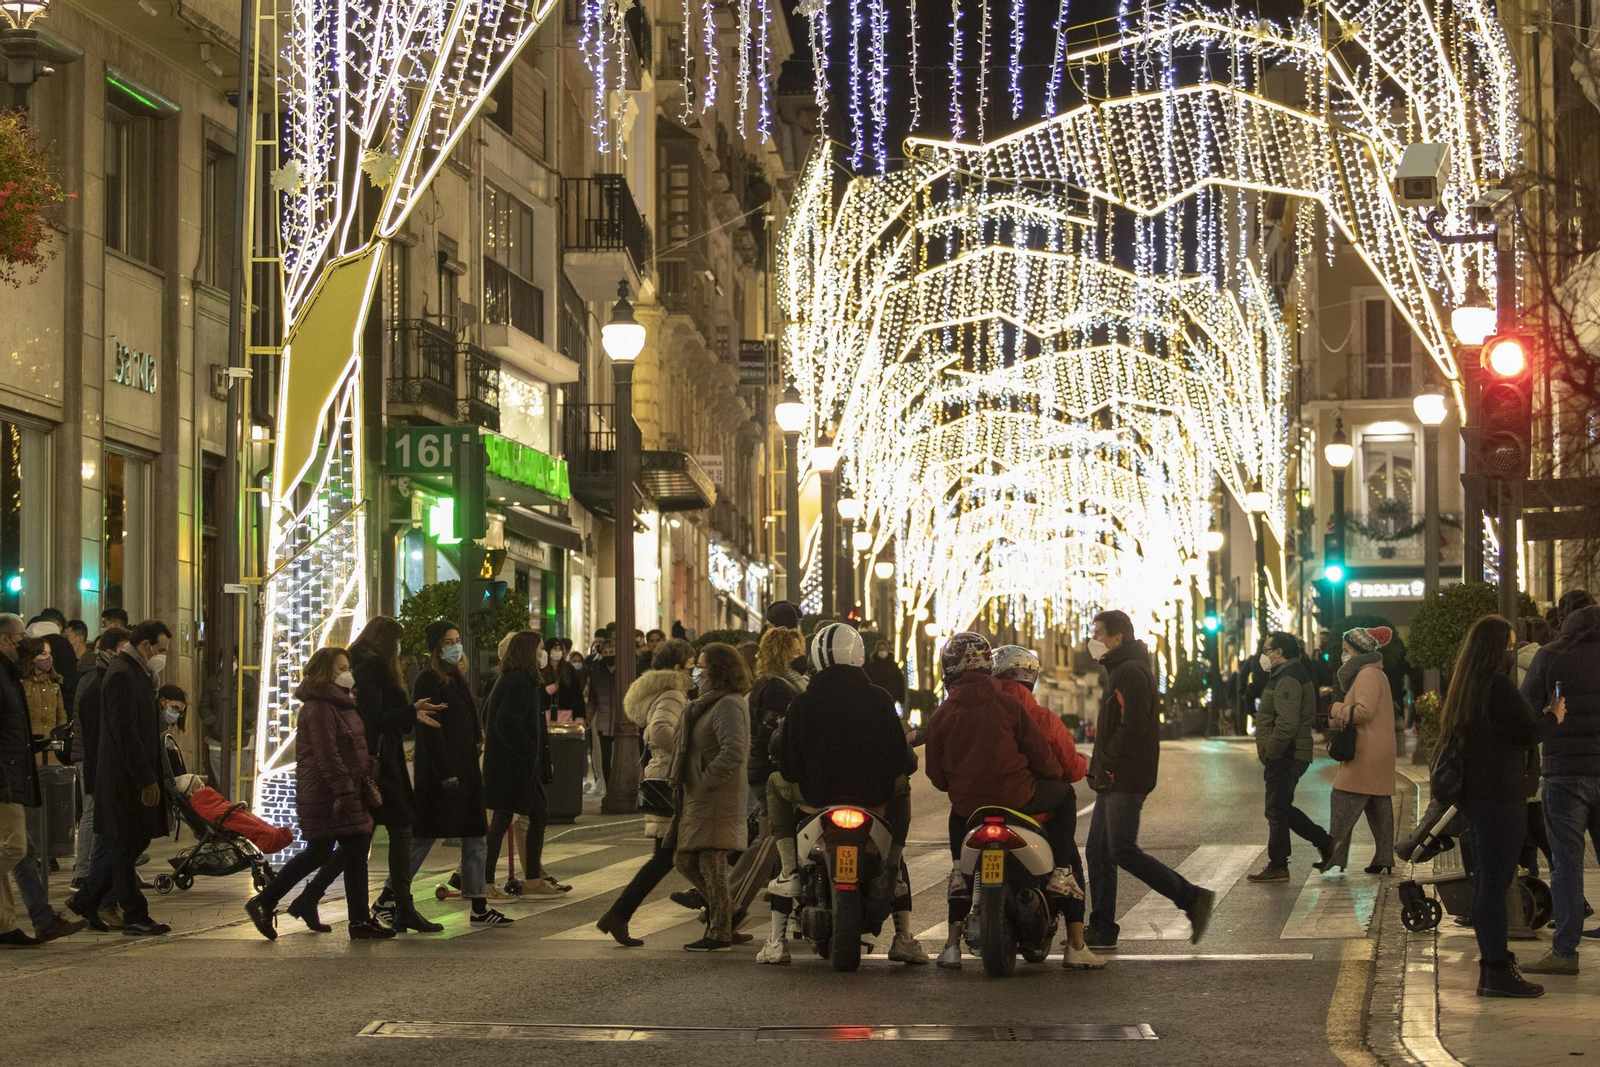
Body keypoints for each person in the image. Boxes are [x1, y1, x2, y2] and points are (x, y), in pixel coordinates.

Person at [758, 624, 925, 965]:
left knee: (774, 784)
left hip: (816, 798)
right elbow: (901, 763)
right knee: (902, 788)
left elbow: (787, 770)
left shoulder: (802, 704)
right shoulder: (879, 699)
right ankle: (902, 926)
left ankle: (787, 878)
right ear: (858, 656)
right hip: (872, 799)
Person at [925, 633, 1083, 965]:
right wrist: (1053, 774)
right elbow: (1042, 756)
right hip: (1020, 797)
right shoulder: (1009, 705)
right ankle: (1062, 873)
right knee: (1065, 795)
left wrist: (962, 784)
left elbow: (936, 777)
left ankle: (952, 930)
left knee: (959, 848)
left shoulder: (941, 715)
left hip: (970, 807)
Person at [1439, 614, 1565, 997]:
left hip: (1478, 794)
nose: (1512, 652)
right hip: (1501, 795)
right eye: (1509, 646)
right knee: (1495, 883)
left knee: (1488, 883)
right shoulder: (1497, 687)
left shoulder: (1466, 685)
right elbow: (1526, 734)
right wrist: (1552, 717)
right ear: (1497, 649)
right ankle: (1495, 970)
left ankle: (1494, 966)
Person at [302, 616, 445, 932]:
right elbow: (372, 718)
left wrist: (409, 712)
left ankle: (311, 897)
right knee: (398, 829)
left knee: (360, 839)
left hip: (381, 758)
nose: (399, 648)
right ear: (386, 640)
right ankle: (400, 906)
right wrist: (410, 711)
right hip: (376, 763)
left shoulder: (367, 665)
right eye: (397, 641)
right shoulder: (369, 668)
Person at [1083, 611, 1215, 949]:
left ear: (1118, 637)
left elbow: (1133, 726)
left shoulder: (1131, 672)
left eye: (1098, 632)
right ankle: (1102, 926)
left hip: (1125, 776)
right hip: (1112, 776)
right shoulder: (1120, 669)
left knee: (1121, 849)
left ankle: (1191, 898)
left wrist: (1109, 760)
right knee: (1098, 851)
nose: (1093, 638)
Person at [244, 647, 393, 940]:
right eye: (340, 668)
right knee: (339, 850)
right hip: (330, 792)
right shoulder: (320, 707)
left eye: (347, 666)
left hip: (343, 789)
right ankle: (353, 919)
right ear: (326, 672)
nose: (347, 672)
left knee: (332, 851)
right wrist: (344, 789)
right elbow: (327, 754)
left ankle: (276, 901)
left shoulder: (342, 704)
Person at [990, 644, 1103, 969]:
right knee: (1067, 851)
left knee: (961, 873)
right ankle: (1076, 943)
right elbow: (1069, 768)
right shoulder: (1040, 717)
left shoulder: (980, 712)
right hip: (1032, 806)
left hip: (979, 805)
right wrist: (1080, 765)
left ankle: (952, 939)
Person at [403, 622, 511, 925]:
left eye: (458, 640)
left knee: (476, 836)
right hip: (444, 773)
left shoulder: (455, 676)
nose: (455, 646)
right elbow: (431, 732)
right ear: (436, 647)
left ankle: (479, 905)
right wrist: (447, 773)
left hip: (465, 769)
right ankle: (390, 896)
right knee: (424, 837)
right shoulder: (429, 678)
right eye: (448, 641)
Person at [70, 619, 173, 936]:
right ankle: (133, 914)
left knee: (126, 845)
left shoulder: (136, 673)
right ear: (145, 646)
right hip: (125, 779)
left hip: (132, 775)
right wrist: (146, 779)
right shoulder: (122, 675)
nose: (162, 656)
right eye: (161, 649)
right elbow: (124, 733)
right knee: (126, 845)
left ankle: (88, 899)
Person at [596, 637, 696, 946]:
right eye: (691, 666)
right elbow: (661, 732)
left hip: (663, 778)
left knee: (677, 856)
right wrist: (688, 751)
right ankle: (726, 913)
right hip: (669, 781)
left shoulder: (667, 693)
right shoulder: (672, 695)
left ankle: (726, 913)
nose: (694, 673)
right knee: (671, 857)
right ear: (678, 668)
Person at [1520, 598, 1598, 977]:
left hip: (1565, 771)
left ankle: (1565, 952)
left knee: (1566, 865)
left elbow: (1527, 709)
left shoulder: (1551, 654)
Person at [671, 642, 751, 951]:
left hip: (718, 796)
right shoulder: (708, 702)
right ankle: (727, 917)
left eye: (702, 666)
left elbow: (734, 750)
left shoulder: (728, 704)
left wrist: (706, 780)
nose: (697, 672)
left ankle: (720, 931)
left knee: (710, 862)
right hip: (703, 795)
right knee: (686, 860)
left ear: (717, 670)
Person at [1248, 632, 1333, 882]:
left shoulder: (1288, 679)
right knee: (1280, 808)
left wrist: (1270, 751)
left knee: (1276, 810)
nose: (1264, 655)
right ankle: (1326, 845)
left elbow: (1286, 723)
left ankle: (1279, 865)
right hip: (1287, 753)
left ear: (1279, 652)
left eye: (1267, 650)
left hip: (1286, 754)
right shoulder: (1287, 675)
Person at [482, 631, 561, 898]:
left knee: (537, 815)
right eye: (539, 648)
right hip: (511, 768)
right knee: (503, 820)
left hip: (517, 767)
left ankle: (532, 879)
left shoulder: (517, 679)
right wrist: (528, 751)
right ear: (528, 651)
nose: (543, 654)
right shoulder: (517, 681)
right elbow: (506, 722)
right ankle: (486, 882)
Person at [1317, 626, 1398, 875]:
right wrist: (1332, 719)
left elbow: (1363, 712)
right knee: (1377, 804)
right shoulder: (1374, 673)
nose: (1343, 655)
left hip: (1366, 751)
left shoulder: (1367, 675)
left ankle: (1333, 855)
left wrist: (1336, 709)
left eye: (1345, 650)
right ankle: (1384, 857)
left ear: (1359, 651)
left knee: (1341, 797)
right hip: (1377, 749)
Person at [67, 628, 129, 904]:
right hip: (92, 759)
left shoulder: (103, 675)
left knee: (103, 822)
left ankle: (99, 882)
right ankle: (84, 876)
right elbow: (93, 729)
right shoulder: (96, 679)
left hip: (95, 760)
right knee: (93, 815)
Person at [0, 613, 45, 946]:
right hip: (5, 777)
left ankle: (4, 925)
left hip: (12, 772)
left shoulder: (9, 674)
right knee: (13, 847)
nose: (25, 642)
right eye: (20, 637)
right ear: (4, 640)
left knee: (9, 847)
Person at [747, 627, 806, 821]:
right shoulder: (777, 687)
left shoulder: (772, 682)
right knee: (775, 827)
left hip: (763, 769)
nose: (800, 658)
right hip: (769, 772)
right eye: (796, 653)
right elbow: (773, 735)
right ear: (781, 654)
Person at [21, 640, 65, 767]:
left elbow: (61, 714)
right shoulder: (22, 684)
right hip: (31, 747)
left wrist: (61, 737)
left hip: (53, 748)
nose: (48, 658)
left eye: (49, 653)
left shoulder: (54, 684)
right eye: (43, 654)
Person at [585, 638, 620, 786]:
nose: (608, 655)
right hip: (604, 722)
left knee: (620, 759)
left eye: (612, 652)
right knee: (605, 759)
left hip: (623, 722)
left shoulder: (626, 670)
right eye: (605, 652)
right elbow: (593, 699)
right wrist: (588, 718)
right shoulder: (597, 672)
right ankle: (609, 788)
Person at [863, 639, 907, 711]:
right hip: (875, 699)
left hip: (891, 697)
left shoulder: (893, 667)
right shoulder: (871, 667)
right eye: (880, 649)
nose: (882, 651)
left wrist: (901, 697)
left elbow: (899, 682)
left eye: (884, 649)